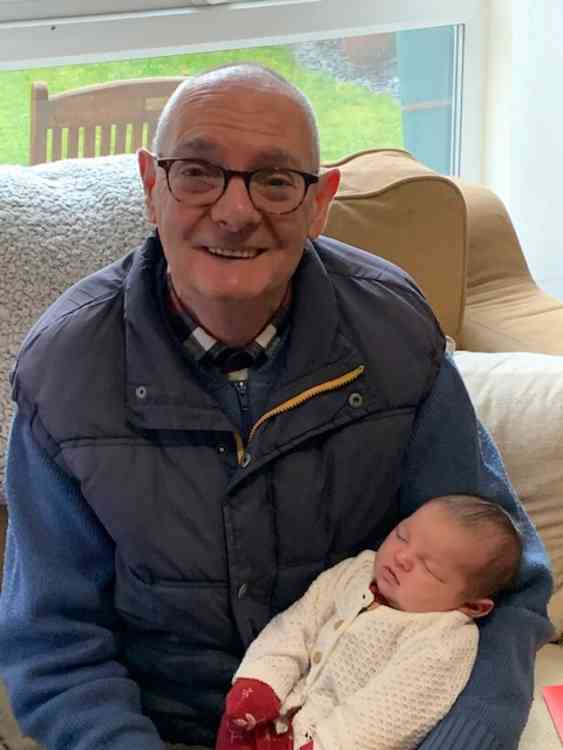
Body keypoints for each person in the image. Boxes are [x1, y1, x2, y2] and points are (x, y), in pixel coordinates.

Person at [0, 62, 554, 750]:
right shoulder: (64, 370)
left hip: (381, 718)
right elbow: (55, 645)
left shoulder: (395, 334)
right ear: (150, 186)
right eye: (198, 172)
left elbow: (505, 580)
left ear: (319, 202)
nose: (235, 213)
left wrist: (458, 737)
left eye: (274, 180)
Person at [216, 495, 523, 750]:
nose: (402, 556)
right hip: (279, 711)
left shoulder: (442, 640)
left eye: (430, 568)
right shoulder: (359, 570)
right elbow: (299, 623)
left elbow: (389, 715)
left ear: (472, 605)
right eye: (402, 535)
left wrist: (321, 744)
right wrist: (263, 679)